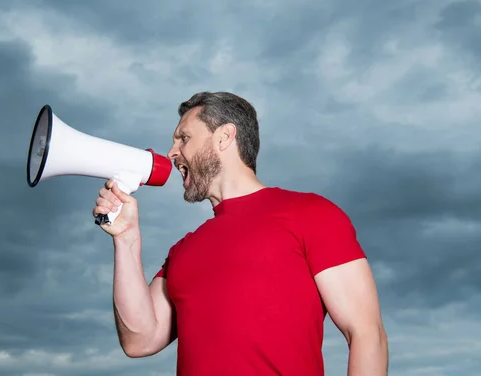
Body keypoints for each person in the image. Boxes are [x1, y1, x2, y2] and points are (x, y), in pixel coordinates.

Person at [93, 91, 389, 375]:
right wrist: (126, 238)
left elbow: (366, 333)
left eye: (184, 138)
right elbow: (139, 340)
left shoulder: (311, 213)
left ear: (224, 137)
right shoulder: (183, 250)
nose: (172, 152)